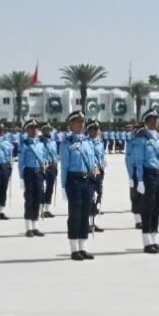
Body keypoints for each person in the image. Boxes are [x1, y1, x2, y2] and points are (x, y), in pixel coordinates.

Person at [131, 109, 159, 254]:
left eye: (157, 118)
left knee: (157, 208)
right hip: (148, 175)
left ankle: (154, 239)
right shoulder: (141, 139)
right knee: (148, 208)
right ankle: (147, 242)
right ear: (147, 121)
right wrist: (139, 180)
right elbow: (138, 162)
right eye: (152, 119)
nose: (155, 121)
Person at [60, 111, 96, 261]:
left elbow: (93, 164)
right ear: (71, 124)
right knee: (75, 215)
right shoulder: (66, 143)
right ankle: (74, 248)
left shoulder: (88, 142)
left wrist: (94, 185)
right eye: (77, 122)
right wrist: (63, 187)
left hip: (87, 181)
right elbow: (64, 167)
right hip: (74, 181)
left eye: (82, 122)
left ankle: (83, 247)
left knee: (85, 214)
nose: (80, 125)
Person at [18, 119, 46, 237]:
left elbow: (43, 159)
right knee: (29, 200)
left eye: (35, 128)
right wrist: (21, 178)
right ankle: (28, 227)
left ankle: (35, 226)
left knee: (38, 199)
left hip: (39, 173)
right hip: (29, 174)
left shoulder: (41, 144)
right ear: (27, 130)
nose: (34, 130)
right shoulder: (24, 144)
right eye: (31, 128)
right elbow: (21, 162)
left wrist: (44, 173)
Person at [86, 119, 106, 233]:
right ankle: (87, 223)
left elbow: (102, 157)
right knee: (90, 197)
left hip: (99, 171)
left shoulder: (100, 143)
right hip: (91, 171)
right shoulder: (86, 143)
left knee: (98, 195)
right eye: (93, 129)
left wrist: (103, 168)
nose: (96, 132)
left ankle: (92, 222)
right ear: (89, 131)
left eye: (97, 129)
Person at [125, 126, 143, 229]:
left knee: (146, 198)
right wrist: (130, 177)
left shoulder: (147, 143)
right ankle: (138, 221)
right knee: (136, 198)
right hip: (136, 174)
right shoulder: (131, 144)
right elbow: (128, 161)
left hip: (146, 173)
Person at [39, 123, 58, 218]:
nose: (48, 131)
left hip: (52, 165)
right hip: (43, 165)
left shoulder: (53, 142)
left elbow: (55, 154)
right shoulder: (39, 141)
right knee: (43, 187)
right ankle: (41, 208)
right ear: (43, 131)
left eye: (49, 130)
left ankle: (47, 209)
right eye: (46, 129)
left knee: (50, 188)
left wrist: (56, 165)